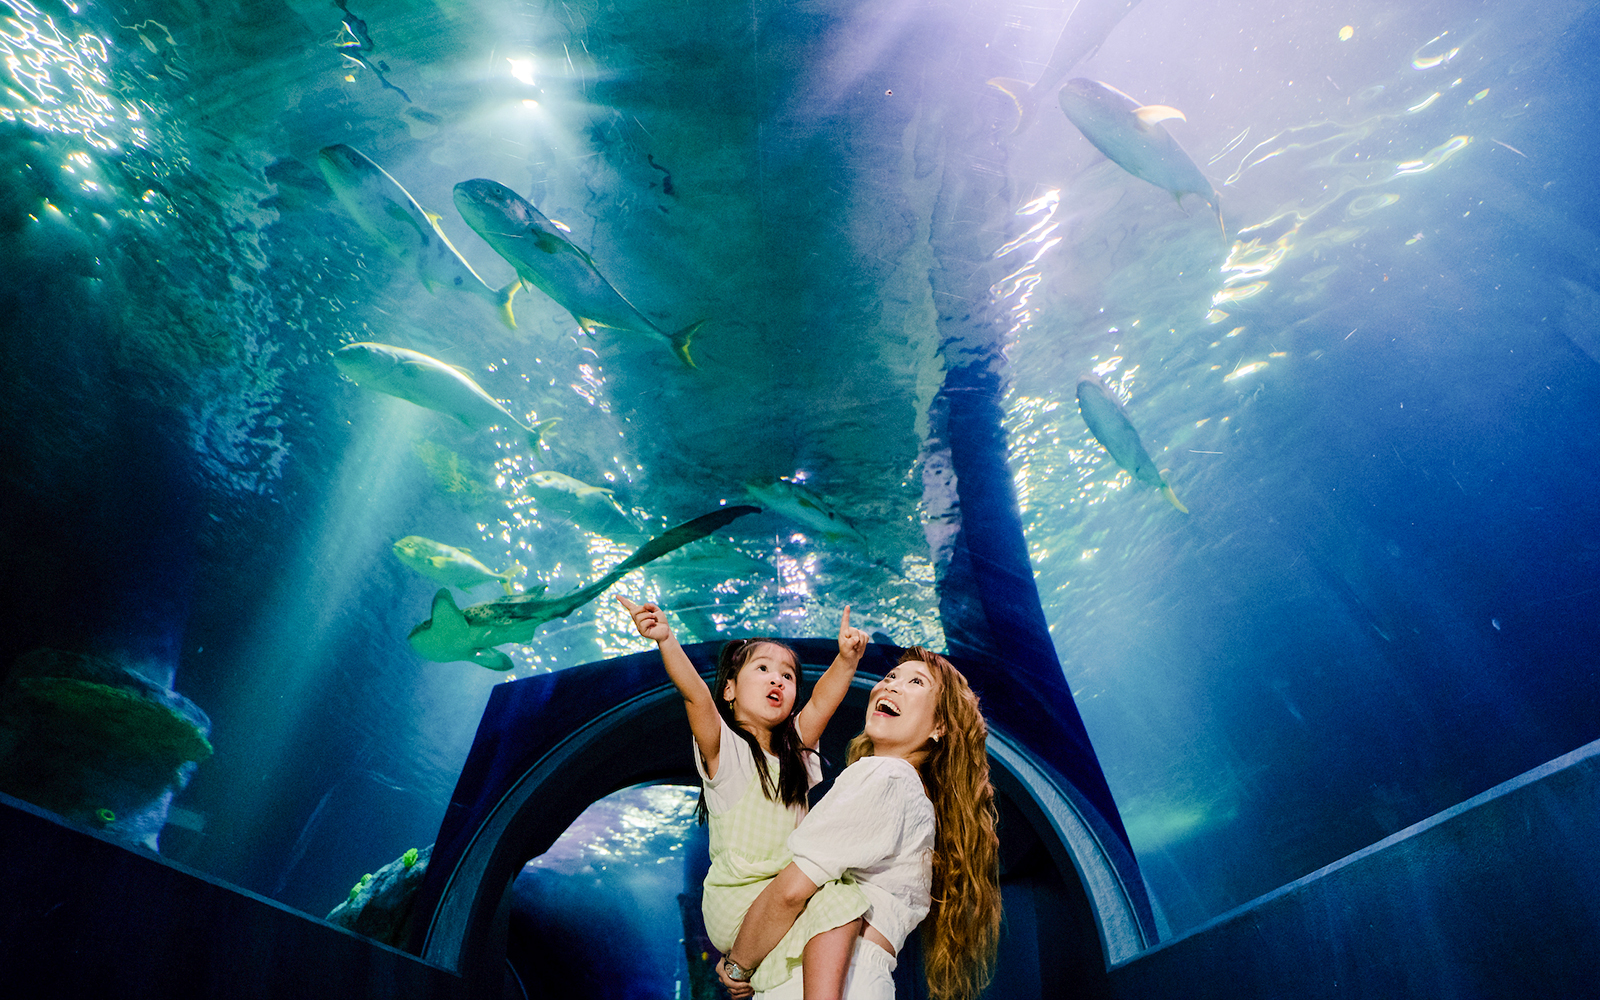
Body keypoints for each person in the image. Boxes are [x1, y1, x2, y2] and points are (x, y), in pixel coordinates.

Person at [619, 595, 870, 998]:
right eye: (763, 669)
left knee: (843, 904)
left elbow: (823, 701)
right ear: (730, 690)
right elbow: (696, 695)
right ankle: (750, 968)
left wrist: (846, 660)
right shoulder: (726, 754)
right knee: (842, 901)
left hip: (781, 899)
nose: (777, 680)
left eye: (788, 676)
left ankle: (749, 975)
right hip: (738, 901)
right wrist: (666, 640)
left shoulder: (795, 756)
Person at [716, 647, 1002, 1000]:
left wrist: (738, 965)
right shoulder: (911, 793)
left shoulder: (887, 775)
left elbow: (790, 892)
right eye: (890, 677)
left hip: (824, 979)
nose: (890, 686)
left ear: (940, 726)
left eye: (916, 682)